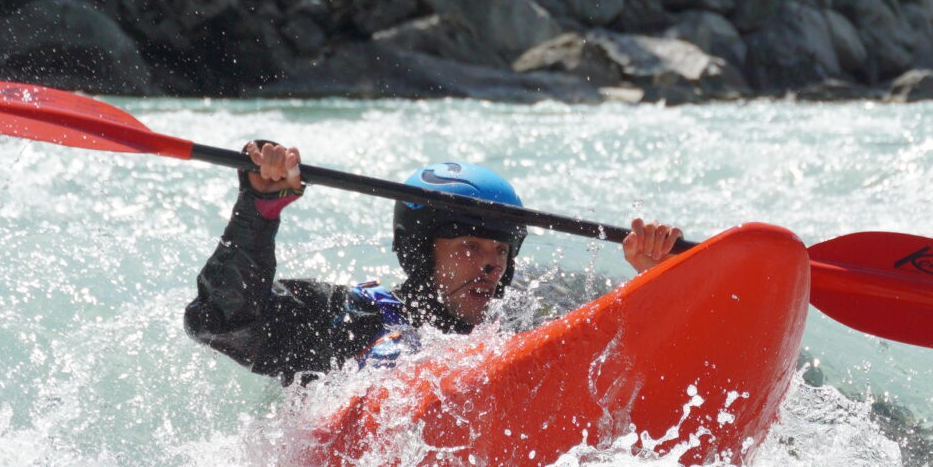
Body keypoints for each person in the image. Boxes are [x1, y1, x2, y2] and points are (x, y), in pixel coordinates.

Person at [185, 138, 681, 385]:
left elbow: (635, 361)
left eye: (500, 251)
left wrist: (661, 282)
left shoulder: (526, 324)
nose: (492, 268)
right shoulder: (348, 319)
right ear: (421, 253)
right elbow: (223, 319)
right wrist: (258, 211)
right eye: (469, 247)